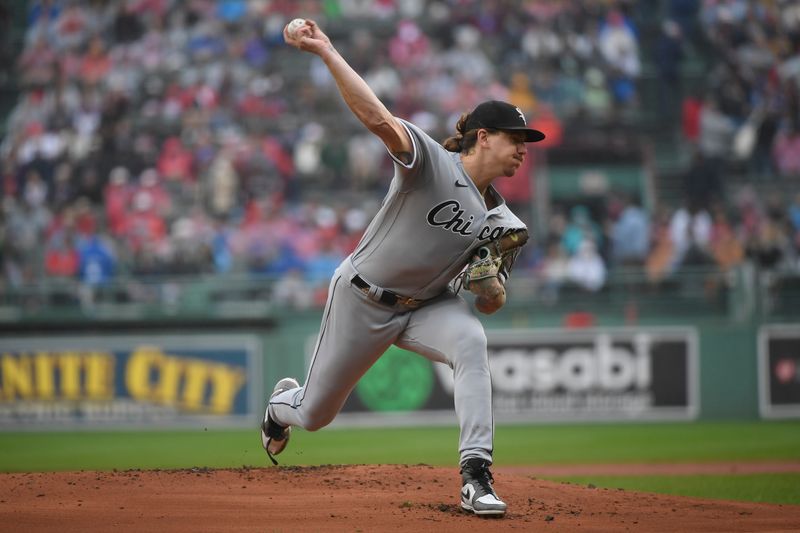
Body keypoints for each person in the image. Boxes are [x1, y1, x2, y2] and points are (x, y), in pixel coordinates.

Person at [262, 19, 545, 518]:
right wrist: (327, 50)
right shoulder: (432, 164)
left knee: (472, 342)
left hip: (429, 306)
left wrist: (490, 287)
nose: (524, 148)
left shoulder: (506, 222)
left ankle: (475, 476)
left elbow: (491, 303)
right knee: (315, 415)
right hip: (362, 296)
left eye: (526, 140)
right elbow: (376, 117)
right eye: (515, 137)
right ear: (483, 137)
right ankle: (280, 406)